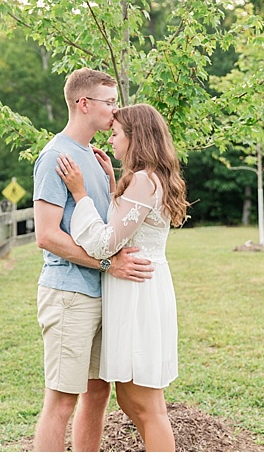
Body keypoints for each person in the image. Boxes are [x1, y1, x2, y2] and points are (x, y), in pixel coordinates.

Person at [31, 68, 154, 452]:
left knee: (97, 393)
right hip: (70, 295)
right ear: (84, 104)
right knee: (62, 400)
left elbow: (102, 224)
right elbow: (47, 236)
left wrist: (111, 175)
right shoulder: (56, 156)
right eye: (109, 103)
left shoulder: (92, 157)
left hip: (102, 295)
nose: (115, 112)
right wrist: (108, 265)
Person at [56, 103, 185, 451]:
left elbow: (103, 243)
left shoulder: (144, 180)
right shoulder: (146, 179)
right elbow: (129, 222)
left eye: (116, 134)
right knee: (132, 400)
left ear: (135, 137)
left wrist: (80, 193)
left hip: (138, 293)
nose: (110, 140)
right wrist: (114, 182)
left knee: (146, 405)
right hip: (140, 288)